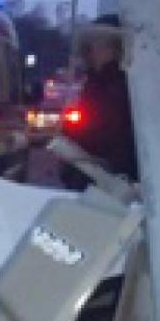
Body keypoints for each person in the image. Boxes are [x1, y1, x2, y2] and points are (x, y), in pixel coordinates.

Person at [63, 14, 138, 189]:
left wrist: (76, 138)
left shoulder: (117, 86)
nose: (92, 51)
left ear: (115, 48)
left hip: (109, 180)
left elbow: (112, 137)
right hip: (96, 177)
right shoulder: (96, 82)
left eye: (98, 45)